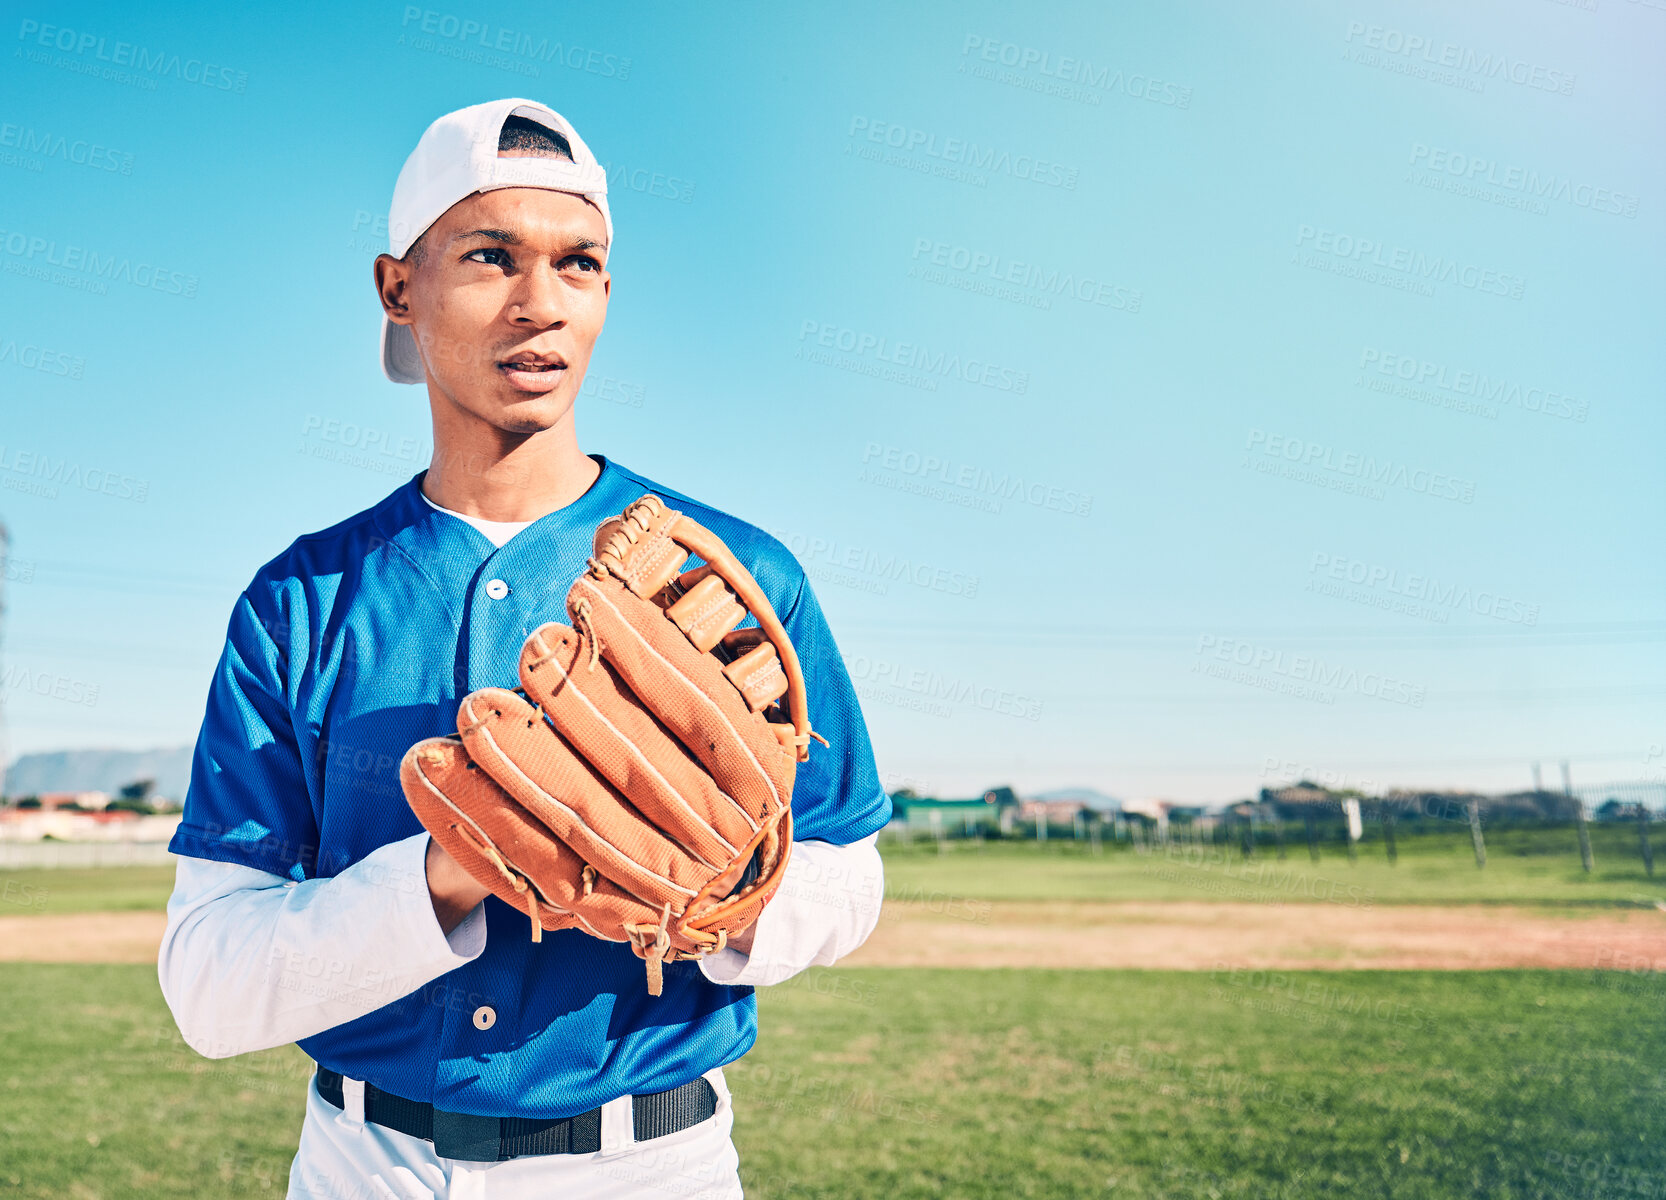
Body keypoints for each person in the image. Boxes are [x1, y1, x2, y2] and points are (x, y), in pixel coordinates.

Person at [157, 97, 891, 1200]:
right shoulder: (299, 603)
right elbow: (208, 992)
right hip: (369, 1167)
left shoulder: (723, 578)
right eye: (490, 256)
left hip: (654, 1168)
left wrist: (713, 899)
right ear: (398, 289)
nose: (539, 306)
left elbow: (852, 874)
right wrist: (464, 858)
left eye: (580, 263)